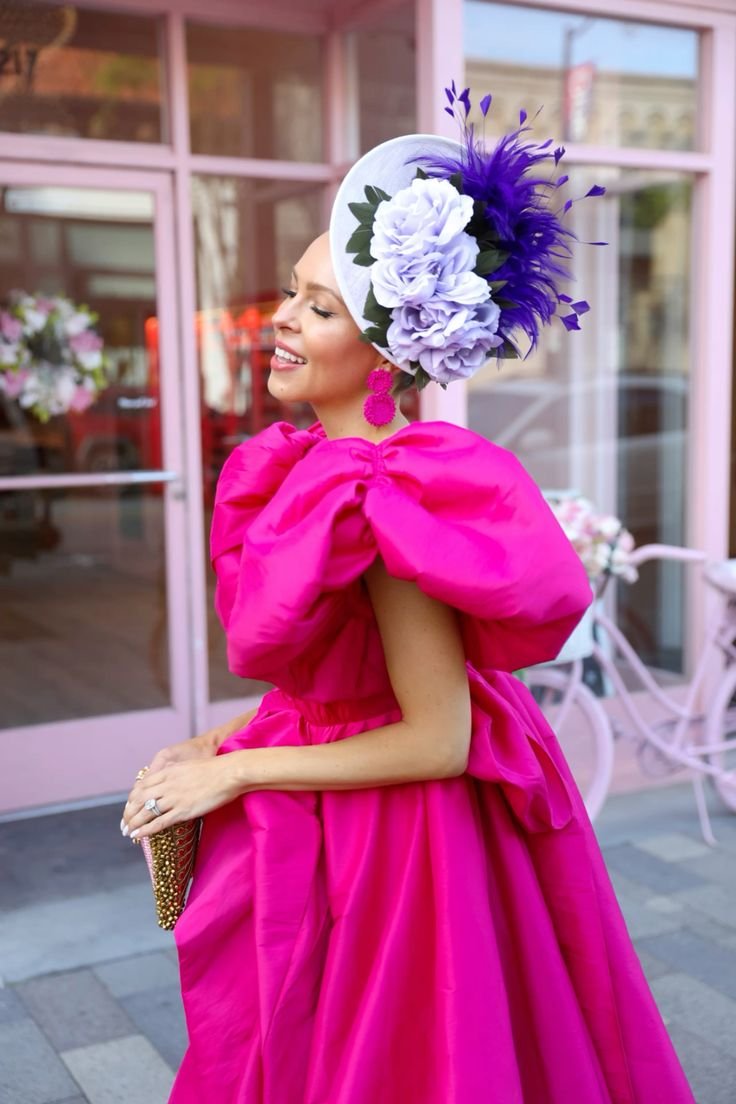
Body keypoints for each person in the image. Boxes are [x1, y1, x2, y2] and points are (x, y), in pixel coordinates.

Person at [121, 88, 695, 1103]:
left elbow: (437, 736)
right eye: (292, 294)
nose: (282, 321)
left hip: (398, 842)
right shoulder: (331, 468)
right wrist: (226, 742)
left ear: (388, 348)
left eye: (319, 306)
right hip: (358, 803)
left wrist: (240, 778)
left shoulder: (382, 497)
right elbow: (345, 681)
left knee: (388, 1058)